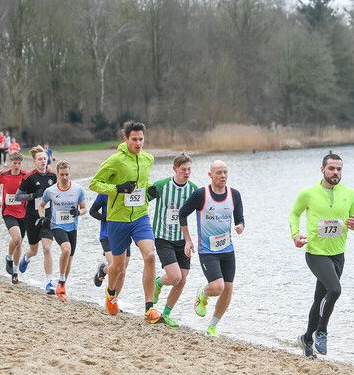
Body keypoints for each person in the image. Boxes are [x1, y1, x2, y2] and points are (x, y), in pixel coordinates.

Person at [289, 153, 354, 357]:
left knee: (319, 298)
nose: (335, 172)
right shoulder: (308, 193)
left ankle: (306, 339)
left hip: (338, 254)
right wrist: (295, 235)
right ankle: (322, 331)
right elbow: (294, 213)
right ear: (322, 170)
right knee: (335, 290)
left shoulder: (350, 194)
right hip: (316, 253)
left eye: (339, 169)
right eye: (331, 168)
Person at [90, 122, 161, 323]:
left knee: (150, 256)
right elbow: (95, 183)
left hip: (140, 216)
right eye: (134, 139)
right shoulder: (116, 160)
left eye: (141, 139)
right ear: (126, 139)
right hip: (117, 219)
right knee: (118, 267)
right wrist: (118, 188)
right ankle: (111, 294)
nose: (138, 143)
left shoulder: (148, 159)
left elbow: (143, 183)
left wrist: (150, 190)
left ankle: (149, 308)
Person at [179, 160, 245, 337]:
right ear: (210, 175)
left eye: (225, 172)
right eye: (218, 173)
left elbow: (240, 218)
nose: (223, 176)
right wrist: (188, 240)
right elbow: (182, 213)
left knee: (228, 289)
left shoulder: (234, 195)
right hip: (207, 250)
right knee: (217, 287)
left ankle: (213, 326)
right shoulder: (201, 194)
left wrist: (240, 226)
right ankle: (203, 292)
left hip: (227, 249)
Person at [149, 153, 198, 327]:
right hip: (163, 237)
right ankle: (158, 282)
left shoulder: (193, 189)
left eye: (189, 169)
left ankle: (167, 313)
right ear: (175, 169)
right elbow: (142, 200)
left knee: (183, 279)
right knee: (175, 276)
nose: (187, 173)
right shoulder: (162, 185)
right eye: (183, 169)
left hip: (182, 240)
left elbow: (202, 212)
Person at [38, 161, 86, 300]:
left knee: (69, 258)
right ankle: (60, 281)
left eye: (67, 174)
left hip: (73, 227)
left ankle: (62, 285)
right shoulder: (51, 191)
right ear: (57, 174)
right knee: (66, 249)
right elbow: (41, 206)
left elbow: (84, 209)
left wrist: (77, 212)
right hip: (57, 225)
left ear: (70, 174)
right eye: (61, 175)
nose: (64, 177)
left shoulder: (78, 189)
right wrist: (42, 217)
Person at [15, 146, 57, 293]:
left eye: (45, 158)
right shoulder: (29, 178)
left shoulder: (53, 177)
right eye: (40, 159)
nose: (43, 161)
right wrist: (33, 196)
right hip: (32, 218)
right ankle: (26, 258)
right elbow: (17, 197)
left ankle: (49, 282)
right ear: (34, 161)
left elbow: (58, 195)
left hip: (48, 217)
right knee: (34, 250)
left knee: (47, 248)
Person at [0, 151, 28, 284]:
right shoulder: (4, 175)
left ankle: (15, 271)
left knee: (19, 243)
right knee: (16, 238)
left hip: (23, 214)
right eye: (15, 163)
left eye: (19, 163)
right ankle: (8, 258)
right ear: (10, 163)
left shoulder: (25, 176)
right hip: (8, 212)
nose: (17, 166)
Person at [89, 193, 131, 295]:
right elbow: (92, 211)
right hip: (107, 235)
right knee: (117, 268)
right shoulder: (104, 193)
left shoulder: (129, 192)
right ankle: (103, 269)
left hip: (124, 235)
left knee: (122, 272)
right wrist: (104, 217)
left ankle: (114, 301)